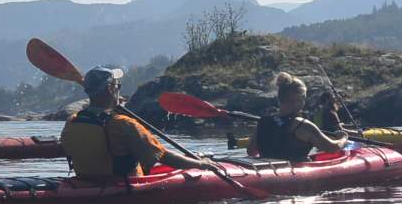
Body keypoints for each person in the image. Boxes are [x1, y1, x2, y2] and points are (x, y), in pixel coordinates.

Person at [60, 66, 219, 179]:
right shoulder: (123, 124)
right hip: (124, 188)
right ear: (110, 89)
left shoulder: (72, 122)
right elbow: (163, 156)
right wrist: (201, 165)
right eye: (117, 86)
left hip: (85, 183)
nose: (119, 90)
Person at [251, 72, 347, 162]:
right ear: (298, 101)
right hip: (293, 175)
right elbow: (333, 148)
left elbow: (251, 151)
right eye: (303, 99)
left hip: (267, 171)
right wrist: (343, 138)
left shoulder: (263, 121)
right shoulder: (303, 125)